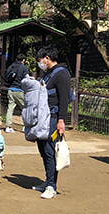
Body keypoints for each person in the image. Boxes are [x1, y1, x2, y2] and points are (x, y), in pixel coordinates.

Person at [32, 45, 72, 199]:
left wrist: (61, 120)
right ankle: (47, 180)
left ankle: (51, 186)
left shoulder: (62, 74)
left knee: (50, 151)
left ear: (47, 58)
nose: (40, 63)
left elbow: (64, 99)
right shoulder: (47, 74)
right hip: (42, 118)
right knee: (43, 149)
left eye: (40, 60)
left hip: (53, 118)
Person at [4, 53, 30, 133]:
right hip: (19, 90)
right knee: (25, 108)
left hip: (10, 89)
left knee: (10, 108)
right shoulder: (24, 68)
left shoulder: (11, 66)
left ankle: (8, 127)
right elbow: (27, 79)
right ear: (23, 60)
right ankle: (25, 126)